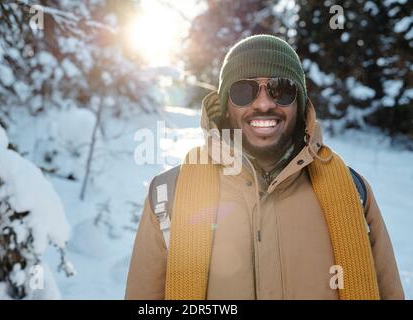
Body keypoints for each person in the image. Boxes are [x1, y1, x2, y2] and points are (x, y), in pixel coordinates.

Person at [125, 34, 404, 300]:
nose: (264, 103)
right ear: (224, 106)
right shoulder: (168, 196)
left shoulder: (353, 193)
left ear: (300, 102)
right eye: (244, 91)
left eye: (281, 90)